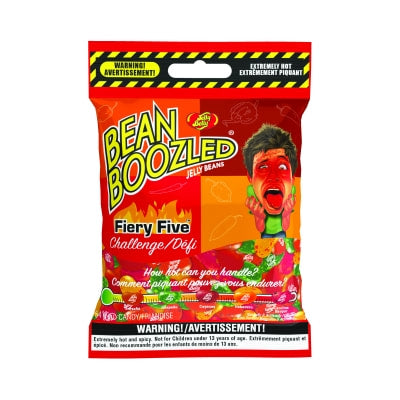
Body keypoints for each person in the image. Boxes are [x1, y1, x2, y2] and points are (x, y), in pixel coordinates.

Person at [242, 124, 297, 238]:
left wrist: (286, 214)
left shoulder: (291, 195)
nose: (273, 176)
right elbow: (260, 229)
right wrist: (258, 216)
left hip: (281, 236)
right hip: (265, 236)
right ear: (250, 178)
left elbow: (285, 227)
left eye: (282, 167)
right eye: (263, 167)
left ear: (292, 178)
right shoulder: (253, 195)